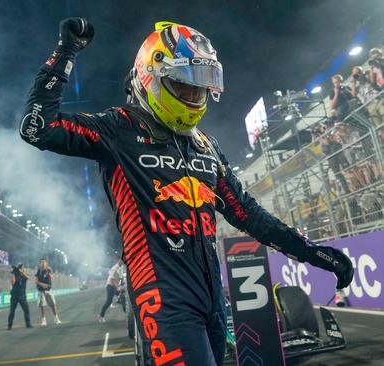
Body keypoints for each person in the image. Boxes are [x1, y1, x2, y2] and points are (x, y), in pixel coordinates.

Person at [20, 18, 354, 365]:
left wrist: (311, 252)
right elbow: (37, 128)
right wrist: (65, 53)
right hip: (165, 301)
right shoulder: (117, 128)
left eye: (201, 88)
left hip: (212, 302)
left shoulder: (206, 145)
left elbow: (247, 213)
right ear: (151, 78)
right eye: (185, 86)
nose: (195, 97)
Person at [97, 258, 126, 323]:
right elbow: (112, 280)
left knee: (123, 297)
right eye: (122, 261)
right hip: (110, 286)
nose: (124, 262)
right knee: (108, 301)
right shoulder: (115, 268)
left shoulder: (120, 268)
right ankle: (101, 316)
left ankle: (127, 313)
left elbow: (121, 278)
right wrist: (118, 287)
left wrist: (122, 286)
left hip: (114, 286)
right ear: (119, 261)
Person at [35, 258, 61, 326]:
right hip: (41, 290)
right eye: (41, 262)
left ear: (46, 263)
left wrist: (48, 274)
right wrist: (43, 284)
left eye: (44, 262)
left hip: (49, 290)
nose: (43, 263)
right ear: (40, 263)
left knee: (53, 304)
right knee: (42, 306)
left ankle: (56, 318)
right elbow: (36, 281)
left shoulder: (49, 269)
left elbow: (52, 277)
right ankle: (43, 320)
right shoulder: (38, 270)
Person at [7, 263, 32, 330]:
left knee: (26, 310)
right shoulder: (15, 274)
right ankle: (9, 325)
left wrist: (22, 273)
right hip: (14, 295)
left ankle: (28, 324)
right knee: (12, 311)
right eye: (22, 268)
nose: (23, 269)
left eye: (23, 268)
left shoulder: (24, 275)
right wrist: (13, 274)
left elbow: (28, 278)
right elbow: (12, 282)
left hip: (22, 296)